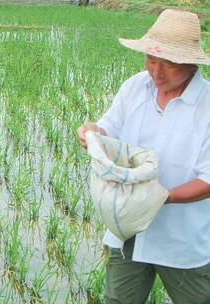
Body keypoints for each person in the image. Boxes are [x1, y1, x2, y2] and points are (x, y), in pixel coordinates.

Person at [76, 9, 210, 304]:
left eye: (169, 64)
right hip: (127, 231)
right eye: (151, 59)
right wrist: (92, 132)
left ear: (191, 64)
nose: (156, 71)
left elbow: (208, 180)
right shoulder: (135, 87)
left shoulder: (207, 106)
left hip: (182, 239)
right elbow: (108, 127)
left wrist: (160, 197)